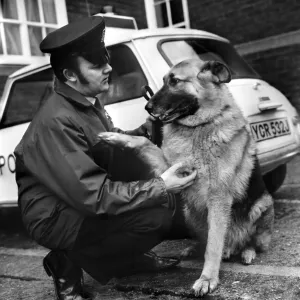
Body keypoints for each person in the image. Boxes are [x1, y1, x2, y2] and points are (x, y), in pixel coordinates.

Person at [14, 16, 197, 300]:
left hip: (78, 201)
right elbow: (94, 196)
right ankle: (65, 261)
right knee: (157, 215)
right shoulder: (57, 121)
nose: (108, 67)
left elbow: (111, 145)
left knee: (165, 207)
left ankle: (125, 260)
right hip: (56, 216)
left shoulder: (86, 103)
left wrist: (149, 130)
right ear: (70, 75)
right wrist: (162, 184)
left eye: (106, 58)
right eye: (96, 63)